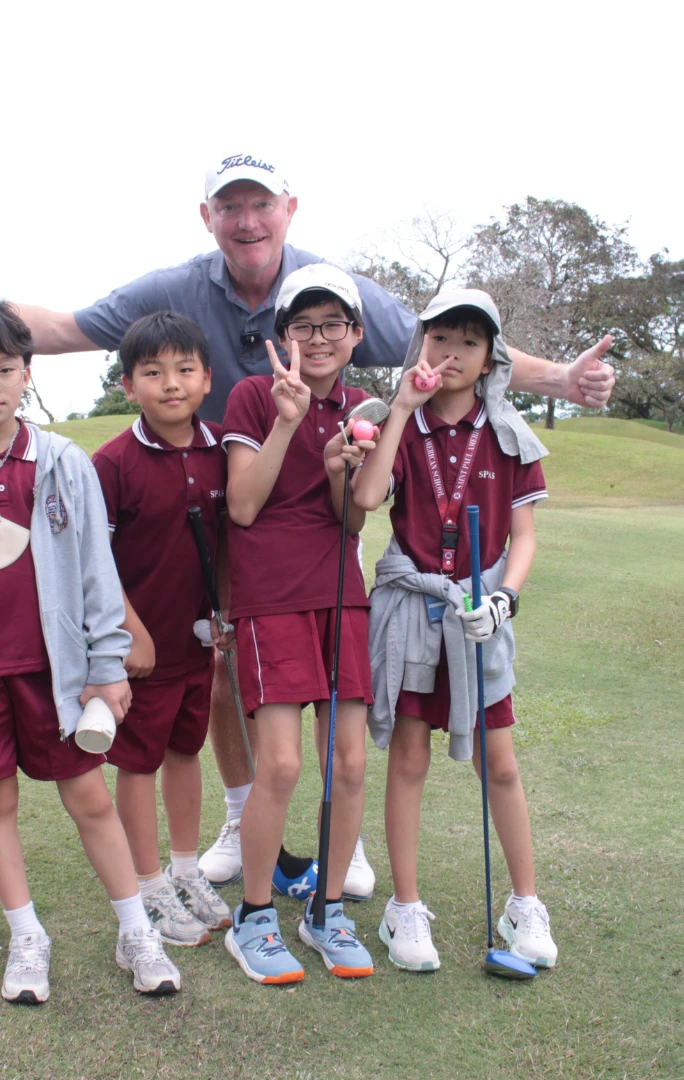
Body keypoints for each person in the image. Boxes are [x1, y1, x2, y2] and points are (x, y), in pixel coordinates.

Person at [0, 151, 616, 897]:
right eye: (230, 206)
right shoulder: (175, 288)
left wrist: (560, 379)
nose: (247, 221)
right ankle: (242, 817)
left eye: (261, 205)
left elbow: (443, 346)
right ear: (208, 216)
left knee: (321, 712)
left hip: (311, 525)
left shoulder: (331, 291)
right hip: (214, 500)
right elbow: (64, 328)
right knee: (222, 674)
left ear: (289, 210)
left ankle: (338, 839)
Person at [0, 301, 184, 1003]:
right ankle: (27, 938)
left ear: (27, 373)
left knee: (89, 798)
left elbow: (97, 575)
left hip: (57, 675)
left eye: (5, 369)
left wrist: (106, 667)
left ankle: (136, 932)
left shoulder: (63, 463)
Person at [349, 289, 558, 972]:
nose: (453, 353)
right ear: (421, 346)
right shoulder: (397, 423)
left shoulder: (509, 433)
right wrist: (400, 407)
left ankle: (524, 903)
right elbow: (366, 497)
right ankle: (404, 908)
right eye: (440, 338)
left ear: (491, 358)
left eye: (470, 342)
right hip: (415, 612)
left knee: (500, 764)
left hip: (479, 616)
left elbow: (524, 536)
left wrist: (504, 599)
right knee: (408, 759)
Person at [218, 264, 380, 985]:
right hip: (271, 597)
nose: (317, 338)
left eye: (332, 324)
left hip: (342, 593)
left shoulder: (360, 410)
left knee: (349, 763)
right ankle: (255, 916)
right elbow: (243, 506)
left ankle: (327, 910)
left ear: (355, 334)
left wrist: (340, 468)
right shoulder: (255, 397)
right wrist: (288, 422)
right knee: (281, 765)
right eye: (303, 325)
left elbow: (352, 521)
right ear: (282, 335)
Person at [90, 311, 236, 945]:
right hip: (140, 651)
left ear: (207, 378)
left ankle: (185, 870)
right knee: (138, 762)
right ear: (129, 385)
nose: (171, 383)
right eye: (152, 372)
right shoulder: (113, 463)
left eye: (184, 369)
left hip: (197, 643)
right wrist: (133, 633)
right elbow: (93, 562)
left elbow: (232, 539)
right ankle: (148, 884)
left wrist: (226, 610)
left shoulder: (224, 448)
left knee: (185, 751)